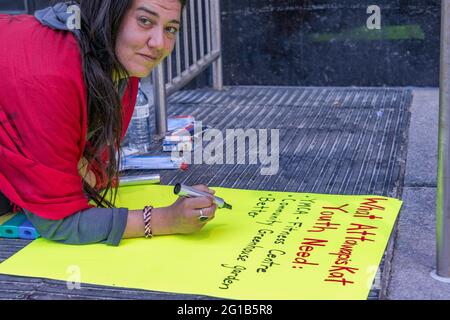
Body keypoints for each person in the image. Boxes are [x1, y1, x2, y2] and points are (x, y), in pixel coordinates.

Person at [0, 0, 217, 246]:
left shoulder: (123, 64)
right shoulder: (52, 74)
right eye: (145, 21)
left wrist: (76, 174)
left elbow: (97, 169)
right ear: (108, 15)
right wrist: (166, 219)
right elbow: (61, 221)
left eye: (170, 29)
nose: (159, 44)